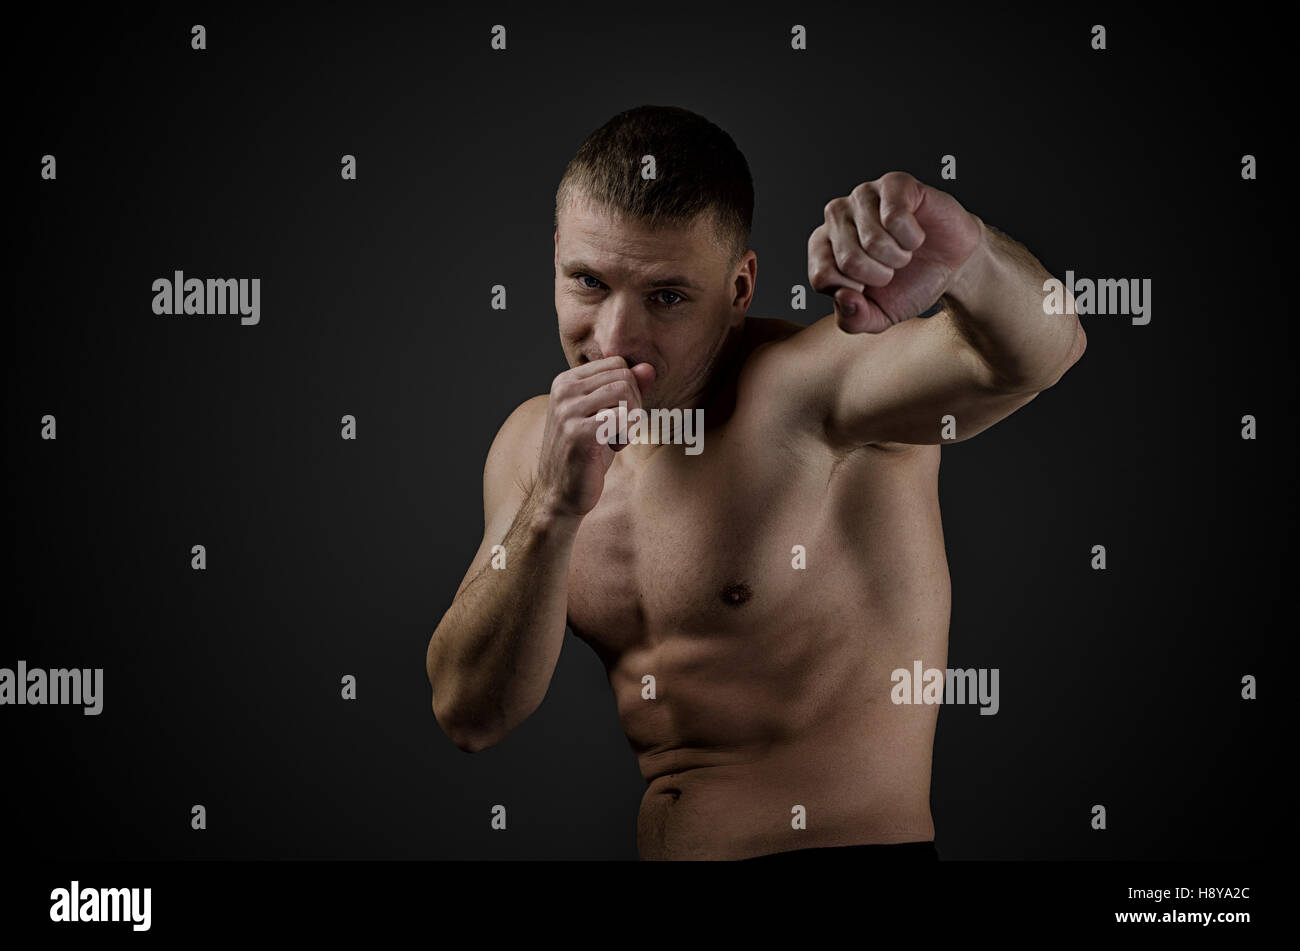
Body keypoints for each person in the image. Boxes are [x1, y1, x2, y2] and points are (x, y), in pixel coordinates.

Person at [425, 104, 1085, 860]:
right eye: (588, 281)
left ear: (739, 288)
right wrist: (550, 510)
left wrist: (969, 261)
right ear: (554, 258)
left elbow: (1045, 350)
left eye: (667, 297)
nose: (612, 337)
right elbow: (468, 714)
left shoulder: (810, 393)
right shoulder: (531, 445)